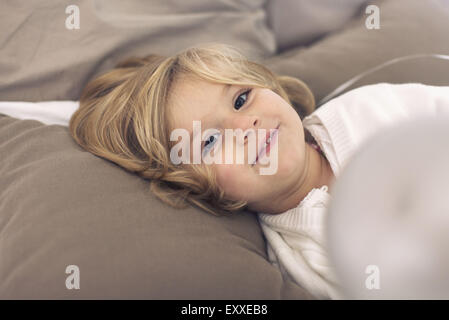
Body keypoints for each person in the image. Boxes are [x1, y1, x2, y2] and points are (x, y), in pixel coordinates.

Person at [68, 42, 449, 299]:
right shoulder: (296, 257)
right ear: (193, 187)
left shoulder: (370, 109)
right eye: (210, 142)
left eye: (240, 99)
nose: (245, 127)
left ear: (269, 86)